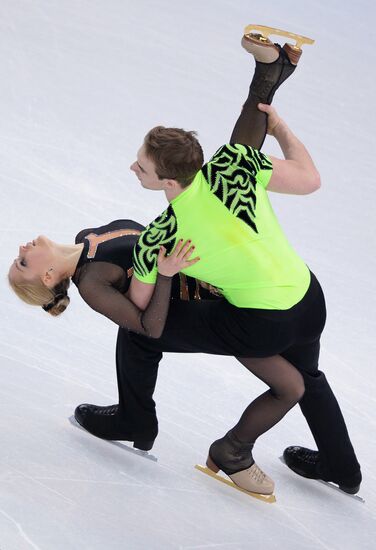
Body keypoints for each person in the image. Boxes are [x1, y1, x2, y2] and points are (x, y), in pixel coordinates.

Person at [8, 33, 361, 496]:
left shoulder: (159, 235)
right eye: (22, 262)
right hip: (306, 297)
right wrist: (269, 84)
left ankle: (202, 438)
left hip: (259, 315)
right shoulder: (231, 169)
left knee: (284, 378)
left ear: (168, 179)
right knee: (292, 377)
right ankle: (339, 465)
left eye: (141, 166)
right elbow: (247, 132)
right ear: (50, 278)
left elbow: (144, 316)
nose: (133, 170)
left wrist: (167, 274)